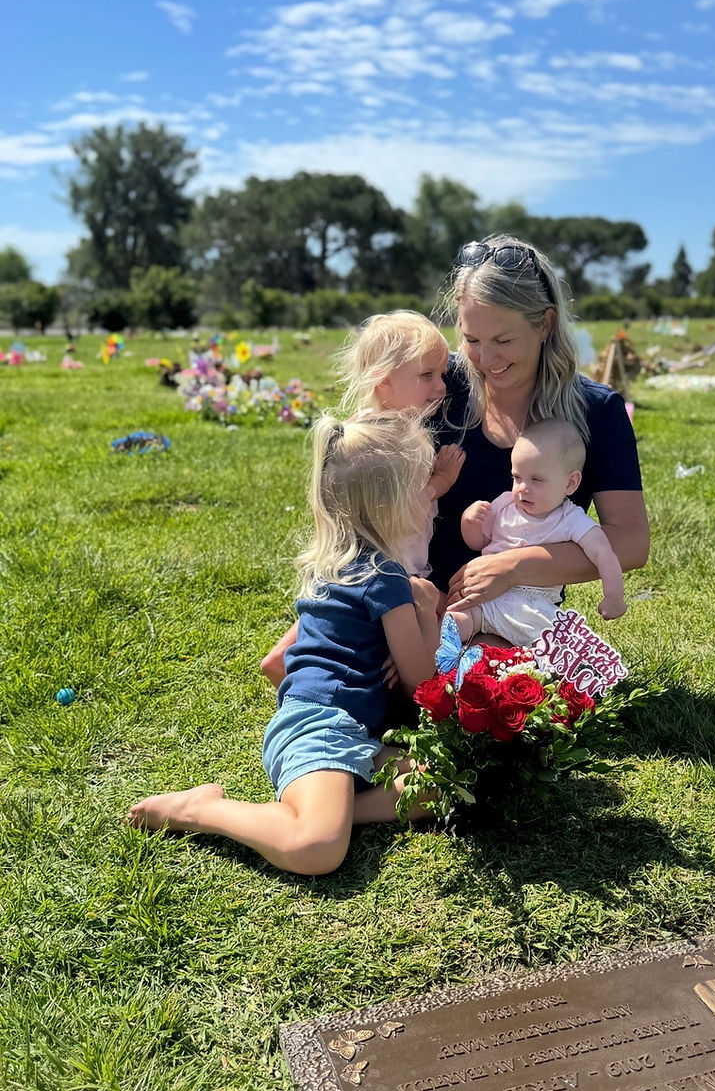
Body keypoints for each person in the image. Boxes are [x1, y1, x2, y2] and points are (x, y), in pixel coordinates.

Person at [127, 413, 440, 875]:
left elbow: (284, 662)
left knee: (441, 786)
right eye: (424, 486)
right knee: (316, 848)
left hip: (345, 733)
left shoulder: (333, 564)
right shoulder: (387, 579)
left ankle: (335, 811)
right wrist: (429, 612)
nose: (432, 497)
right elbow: (420, 683)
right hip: (324, 731)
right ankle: (198, 810)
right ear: (393, 502)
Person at [429, 235, 649, 627]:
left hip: (513, 618)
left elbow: (631, 542)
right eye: (471, 339)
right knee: (294, 664)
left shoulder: (597, 411)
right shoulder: (437, 386)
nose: (485, 359)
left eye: (504, 340)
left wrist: (514, 566)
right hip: (410, 594)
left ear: (545, 324)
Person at [260, 311, 464, 686]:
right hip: (388, 574)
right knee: (414, 658)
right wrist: (440, 482)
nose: (440, 387)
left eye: (441, 375)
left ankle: (296, 682)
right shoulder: (382, 444)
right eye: (427, 375)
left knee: (292, 650)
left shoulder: (362, 430)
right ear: (384, 381)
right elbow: (398, 506)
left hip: (349, 569)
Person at [453, 418, 626, 645]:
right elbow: (478, 543)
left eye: (536, 479)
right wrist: (469, 522)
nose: (523, 488)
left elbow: (604, 555)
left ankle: (546, 671)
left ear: (570, 483)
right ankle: (444, 659)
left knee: (548, 648)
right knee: (455, 620)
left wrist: (614, 597)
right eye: (517, 477)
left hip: (534, 606)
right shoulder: (504, 504)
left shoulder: (571, 519)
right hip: (487, 598)